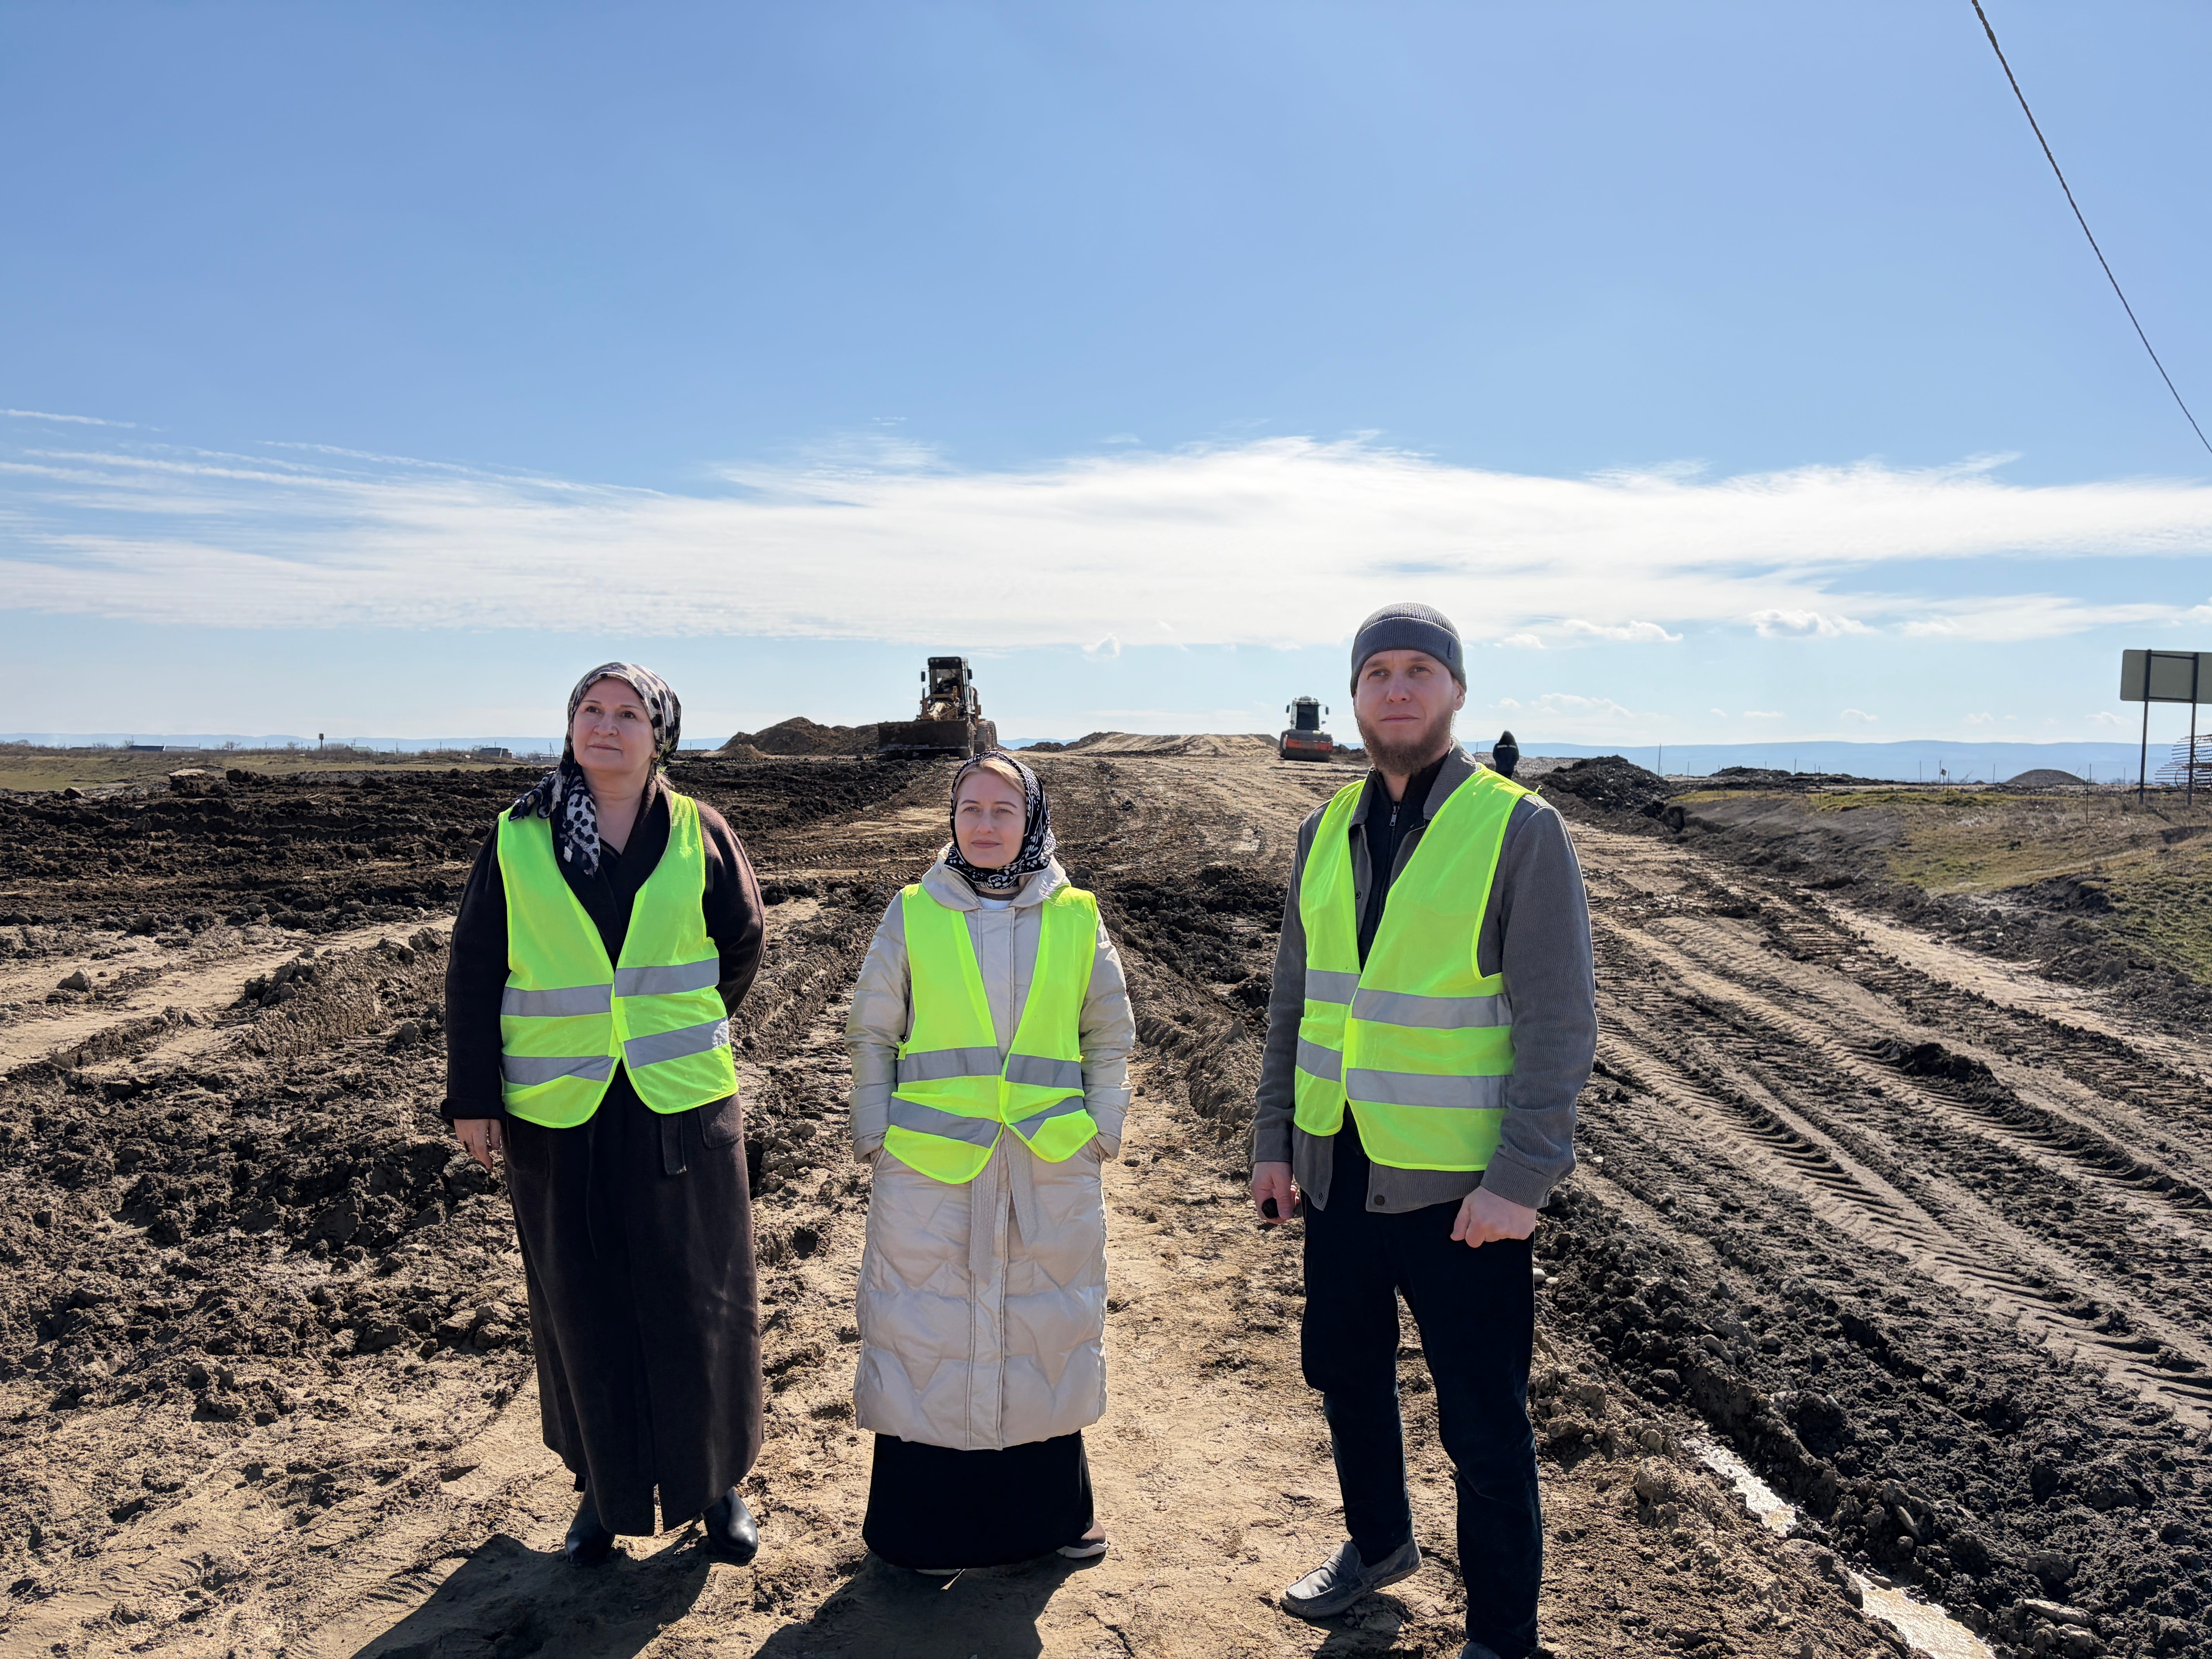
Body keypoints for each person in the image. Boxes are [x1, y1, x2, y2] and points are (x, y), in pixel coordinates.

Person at [1250, 603, 1595, 1659]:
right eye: (1378, 673)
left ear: (1456, 691)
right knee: (1346, 1376)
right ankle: (1379, 1544)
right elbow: (1295, 1000)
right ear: (1354, 696)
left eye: (1419, 670)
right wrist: (1274, 1142)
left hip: (1461, 1197)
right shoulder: (1323, 831)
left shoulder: (1519, 830)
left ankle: (1502, 1637)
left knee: (1483, 1426)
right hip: (1336, 1173)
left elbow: (1559, 1021)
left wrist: (1520, 1181)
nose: (1397, 689)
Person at [443, 662, 768, 1568]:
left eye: (628, 713)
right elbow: (475, 969)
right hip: (559, 1112)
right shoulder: (519, 836)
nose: (606, 726)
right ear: (570, 725)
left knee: (699, 1298)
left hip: (681, 1108)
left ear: (660, 735)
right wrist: (473, 1098)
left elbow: (742, 942)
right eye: (591, 709)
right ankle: (601, 1488)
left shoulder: (700, 831)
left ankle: (716, 1485)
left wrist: (676, 1027)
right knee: (583, 1303)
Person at [844, 750, 1136, 1573]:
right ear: (952, 820)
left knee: (1043, 1333)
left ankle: (1050, 1521)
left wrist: (1102, 1130)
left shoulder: (1077, 916)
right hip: (929, 1167)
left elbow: (1108, 1034)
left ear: (1032, 819)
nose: (984, 824)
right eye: (970, 809)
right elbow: (872, 1030)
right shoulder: (913, 912)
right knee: (925, 1335)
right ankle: (921, 1535)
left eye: (1003, 810)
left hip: (1049, 1163)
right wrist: (875, 1134)